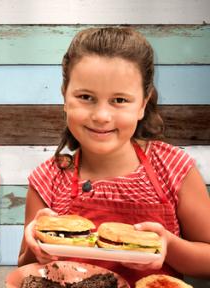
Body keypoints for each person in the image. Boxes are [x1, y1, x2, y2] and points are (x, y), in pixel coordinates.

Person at [18, 27, 210, 285]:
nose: (101, 116)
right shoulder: (48, 179)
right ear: (65, 96)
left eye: (119, 100)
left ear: (143, 103)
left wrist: (169, 246)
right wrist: (36, 243)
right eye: (86, 97)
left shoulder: (173, 168)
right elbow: (26, 268)